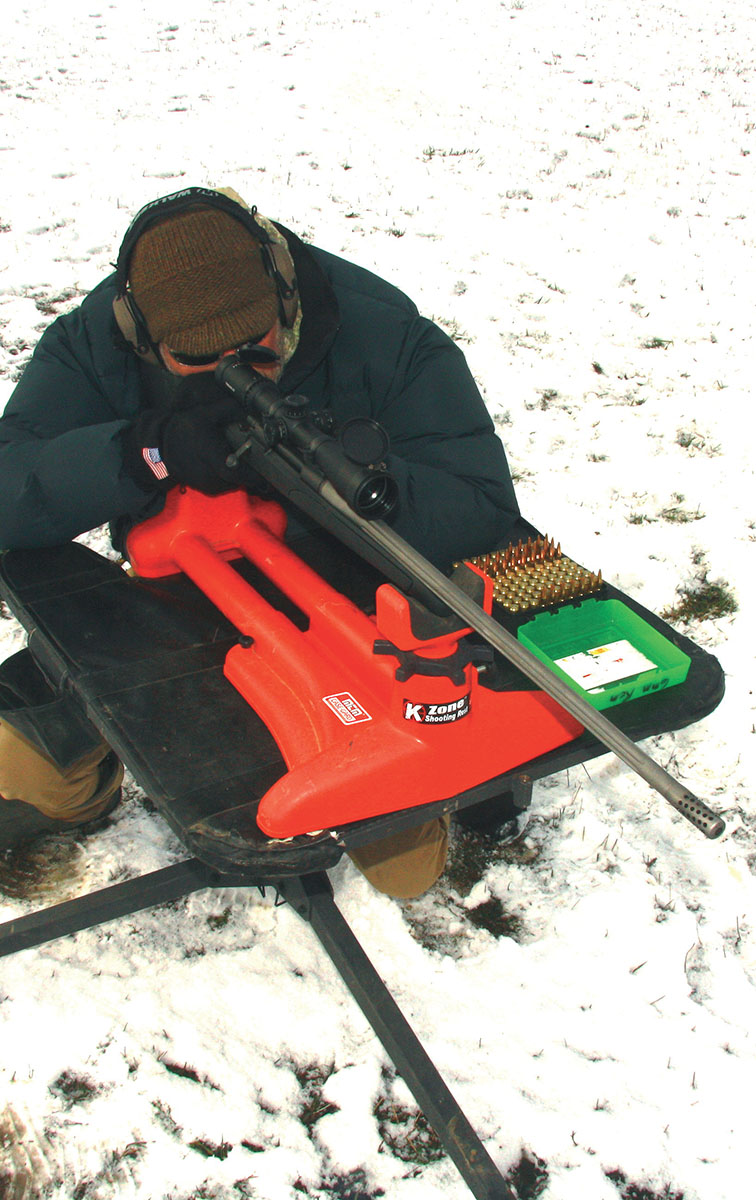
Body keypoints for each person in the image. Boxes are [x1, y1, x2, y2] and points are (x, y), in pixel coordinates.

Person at [0, 186, 520, 898]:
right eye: (198, 361)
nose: (235, 374)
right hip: (172, 603)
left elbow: (482, 509)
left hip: (344, 612)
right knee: (22, 760)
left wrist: (338, 478)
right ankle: (91, 784)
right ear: (143, 335)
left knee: (404, 865)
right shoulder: (98, 342)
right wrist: (143, 453)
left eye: (257, 352)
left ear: (283, 298)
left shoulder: (382, 332)